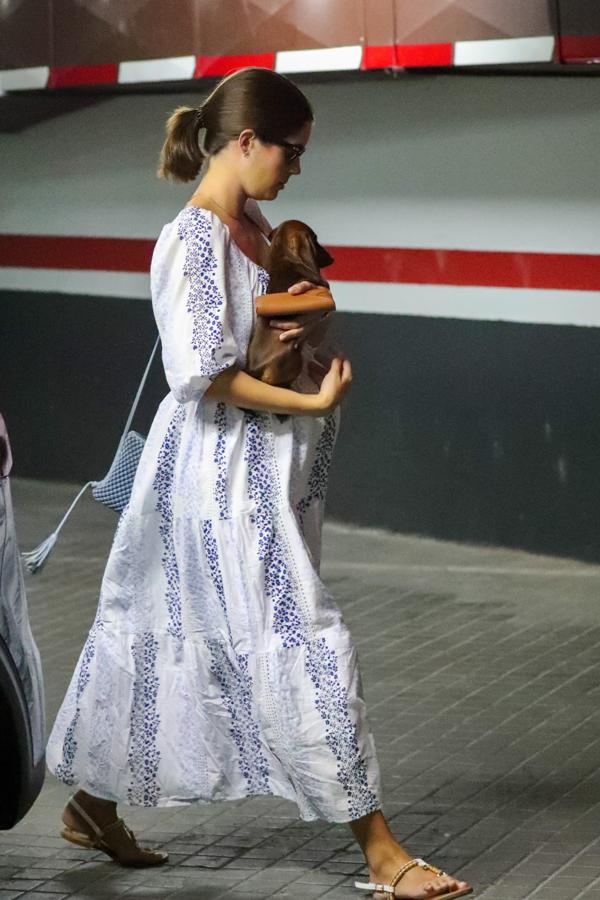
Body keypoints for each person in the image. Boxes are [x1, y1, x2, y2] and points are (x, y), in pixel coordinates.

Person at [46, 67, 471, 899]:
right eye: (292, 151)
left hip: (250, 477)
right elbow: (206, 377)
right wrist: (309, 395)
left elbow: (253, 344)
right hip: (209, 484)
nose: (297, 168)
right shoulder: (193, 239)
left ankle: (93, 808)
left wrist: (303, 344)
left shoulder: (253, 227)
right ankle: (382, 853)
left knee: (179, 629)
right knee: (298, 631)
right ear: (246, 141)